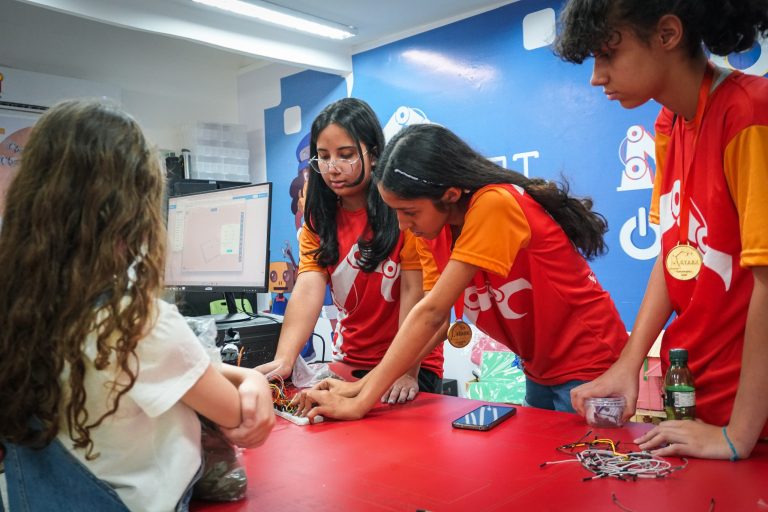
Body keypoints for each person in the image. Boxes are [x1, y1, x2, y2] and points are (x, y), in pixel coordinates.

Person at [0, 100, 274, 511]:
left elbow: (181, 371)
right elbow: (235, 415)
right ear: (134, 211)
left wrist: (242, 376)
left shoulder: (21, 311)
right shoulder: (138, 322)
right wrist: (257, 383)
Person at [297, 122, 628, 419]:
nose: (402, 225)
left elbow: (431, 312)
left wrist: (360, 401)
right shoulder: (431, 231)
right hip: (539, 369)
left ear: (450, 195)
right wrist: (358, 386)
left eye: (409, 211)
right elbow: (434, 321)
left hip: (590, 362)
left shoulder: (494, 204)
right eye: (395, 212)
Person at [554, 0, 768, 460]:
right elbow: (674, 253)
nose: (596, 76)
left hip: (749, 418)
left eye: (607, 54)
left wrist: (740, 433)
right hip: (698, 399)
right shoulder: (668, 122)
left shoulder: (750, 111)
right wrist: (627, 365)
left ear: (667, 34)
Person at [256, 98, 445, 403]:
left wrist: (406, 370)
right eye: (323, 157)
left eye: (345, 155)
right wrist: (285, 360)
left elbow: (415, 291)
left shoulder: (403, 210)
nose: (333, 168)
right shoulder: (318, 217)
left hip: (411, 363)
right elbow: (308, 287)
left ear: (373, 153)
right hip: (351, 360)